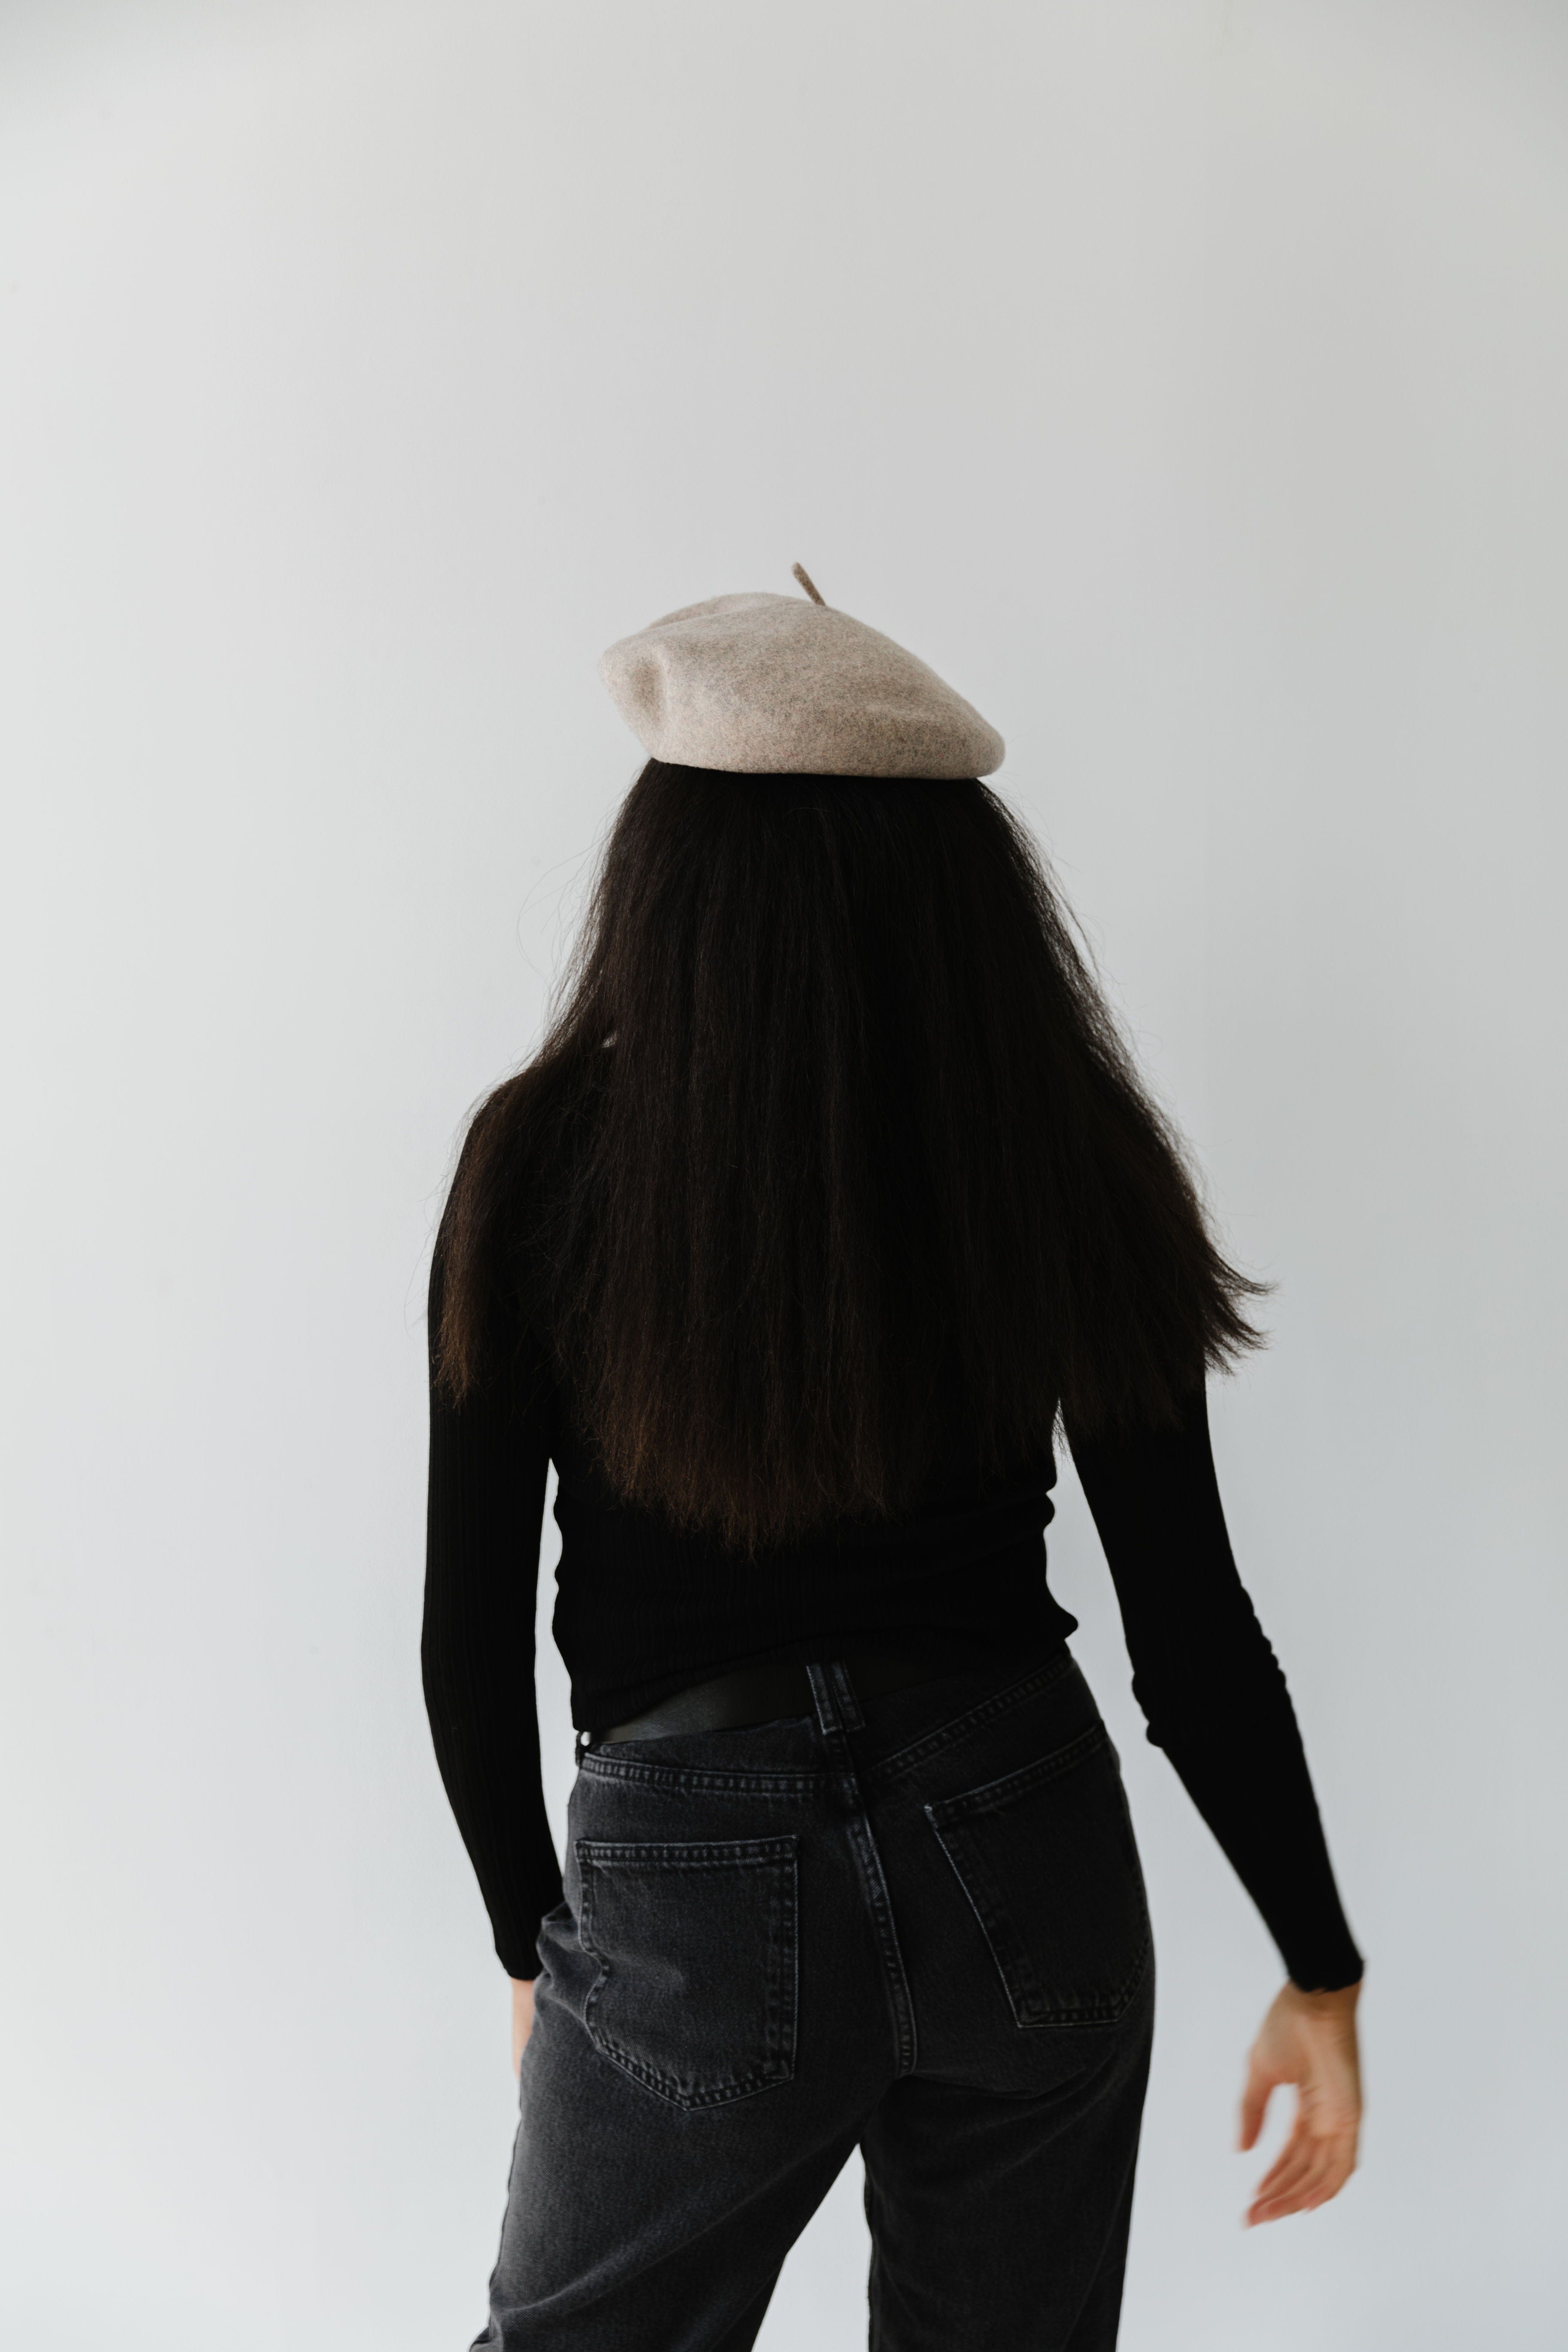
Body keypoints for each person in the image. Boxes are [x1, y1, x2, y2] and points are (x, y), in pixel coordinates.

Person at [422, 569, 1363, 2351]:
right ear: (960, 894)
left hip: (693, 1868)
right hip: (1021, 1828)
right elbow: (1189, 1622)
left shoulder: (544, 1159)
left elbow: (462, 1634)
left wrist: (526, 1933)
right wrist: (1318, 1962)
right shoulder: (1060, 1146)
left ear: (667, 880)